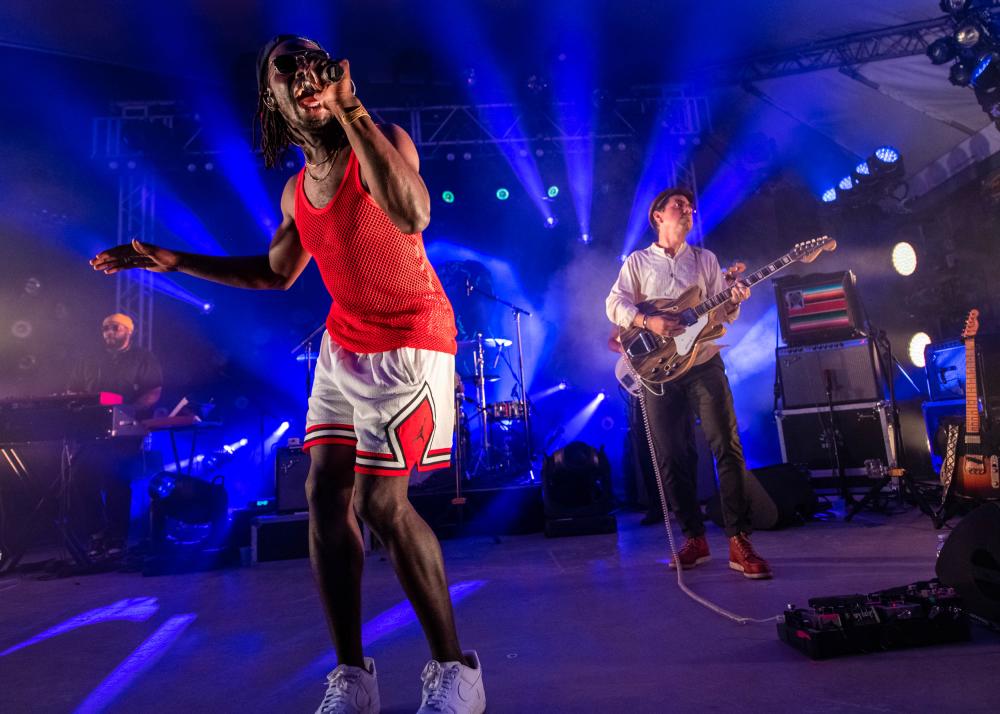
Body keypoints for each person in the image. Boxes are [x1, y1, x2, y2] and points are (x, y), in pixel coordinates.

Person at [91, 35, 484, 714]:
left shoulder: (381, 138)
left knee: (380, 504)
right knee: (324, 495)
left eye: (311, 61)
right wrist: (173, 261)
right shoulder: (298, 189)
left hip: (412, 338)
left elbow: (413, 212)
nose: (301, 72)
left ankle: (456, 672)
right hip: (345, 343)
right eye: (285, 70)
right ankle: (353, 679)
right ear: (273, 100)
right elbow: (275, 272)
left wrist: (354, 111)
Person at [605, 187, 772, 580]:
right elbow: (614, 303)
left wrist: (735, 299)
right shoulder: (638, 261)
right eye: (679, 205)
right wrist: (649, 322)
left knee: (725, 445)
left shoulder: (706, 259)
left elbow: (722, 315)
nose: (689, 209)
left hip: (703, 362)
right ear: (658, 215)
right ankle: (694, 537)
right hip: (658, 370)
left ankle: (739, 539)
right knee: (673, 454)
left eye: (690, 206)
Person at [67, 312, 162, 561]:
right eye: (105, 329)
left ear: (129, 331)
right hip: (91, 428)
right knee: (82, 478)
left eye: (115, 328)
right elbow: (74, 390)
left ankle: (117, 539)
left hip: (125, 428)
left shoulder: (143, 357)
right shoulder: (89, 358)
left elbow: (153, 391)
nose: (109, 333)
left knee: (117, 481)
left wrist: (128, 413)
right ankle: (97, 535)